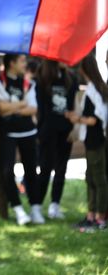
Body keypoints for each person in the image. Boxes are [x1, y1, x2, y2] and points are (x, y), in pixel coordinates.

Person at [0, 54, 44, 225]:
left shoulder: (28, 83)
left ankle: (36, 208)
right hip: (8, 133)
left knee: (31, 171)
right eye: (22, 61)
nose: (25, 64)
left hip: (28, 132)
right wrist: (21, 104)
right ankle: (18, 210)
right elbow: (1, 109)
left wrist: (12, 107)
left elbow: (33, 109)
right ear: (12, 63)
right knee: (7, 171)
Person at [35, 59, 78, 220]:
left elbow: (73, 105)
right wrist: (41, 131)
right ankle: (37, 206)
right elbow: (40, 108)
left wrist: (73, 128)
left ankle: (55, 205)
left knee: (61, 168)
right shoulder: (42, 78)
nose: (66, 59)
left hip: (65, 131)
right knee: (45, 168)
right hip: (48, 131)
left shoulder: (70, 78)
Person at [70, 54, 108, 231]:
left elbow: (94, 119)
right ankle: (91, 214)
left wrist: (77, 119)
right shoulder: (96, 88)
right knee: (91, 177)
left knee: (98, 179)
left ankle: (100, 216)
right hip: (92, 140)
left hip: (96, 140)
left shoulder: (94, 91)